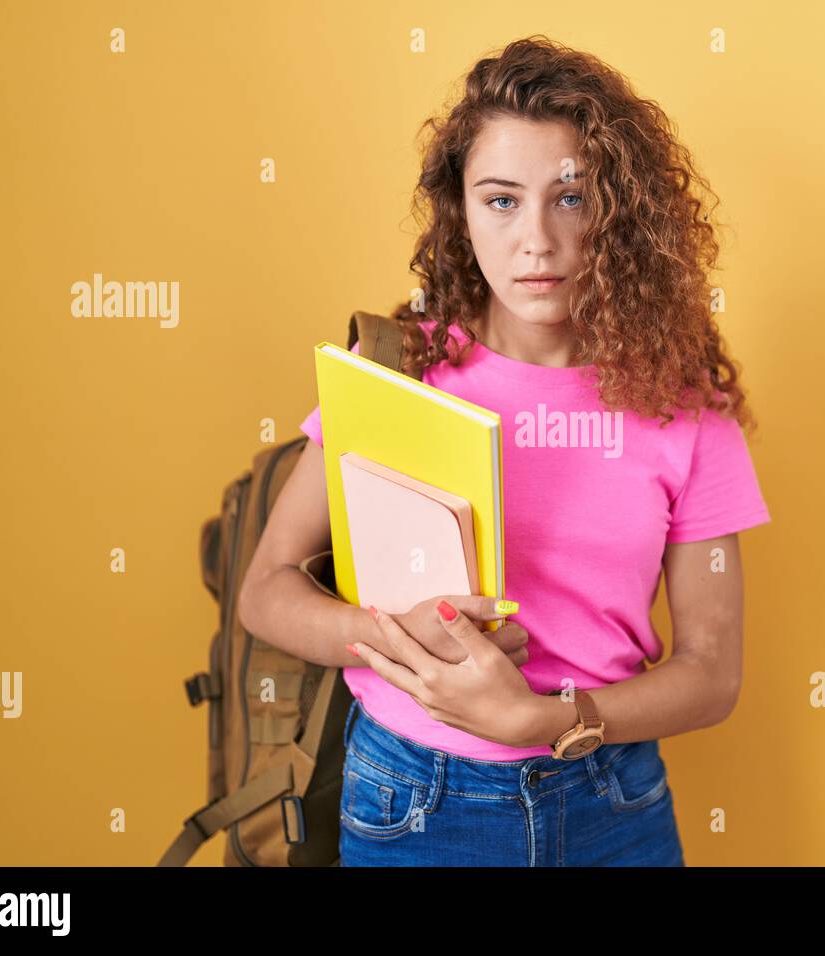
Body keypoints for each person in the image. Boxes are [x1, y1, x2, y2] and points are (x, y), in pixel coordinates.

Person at [238, 35, 771, 867]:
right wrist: (393, 634)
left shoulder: (684, 403)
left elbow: (712, 674)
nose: (536, 242)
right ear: (460, 210)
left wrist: (545, 722)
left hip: (613, 802)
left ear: (620, 213)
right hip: (412, 799)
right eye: (499, 200)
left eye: (569, 198)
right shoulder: (402, 372)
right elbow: (265, 592)